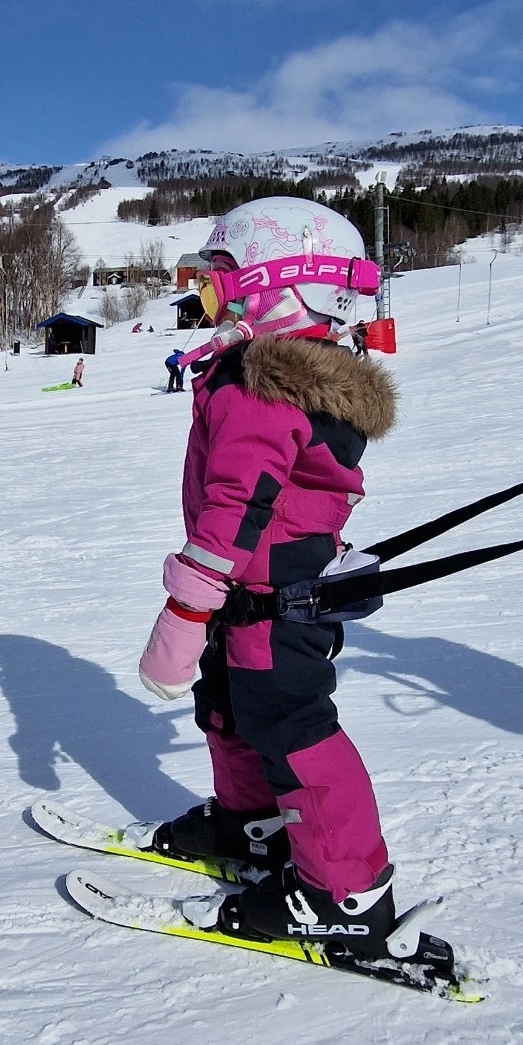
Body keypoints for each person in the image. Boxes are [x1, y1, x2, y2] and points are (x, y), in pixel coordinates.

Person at [136, 196, 401, 959]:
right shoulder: (260, 376)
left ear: (282, 287)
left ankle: (345, 891)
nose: (206, 301)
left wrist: (184, 617)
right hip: (247, 596)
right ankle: (252, 827)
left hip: (267, 598)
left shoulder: (264, 386)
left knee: (292, 728)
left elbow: (236, 507)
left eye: (220, 282)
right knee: (228, 707)